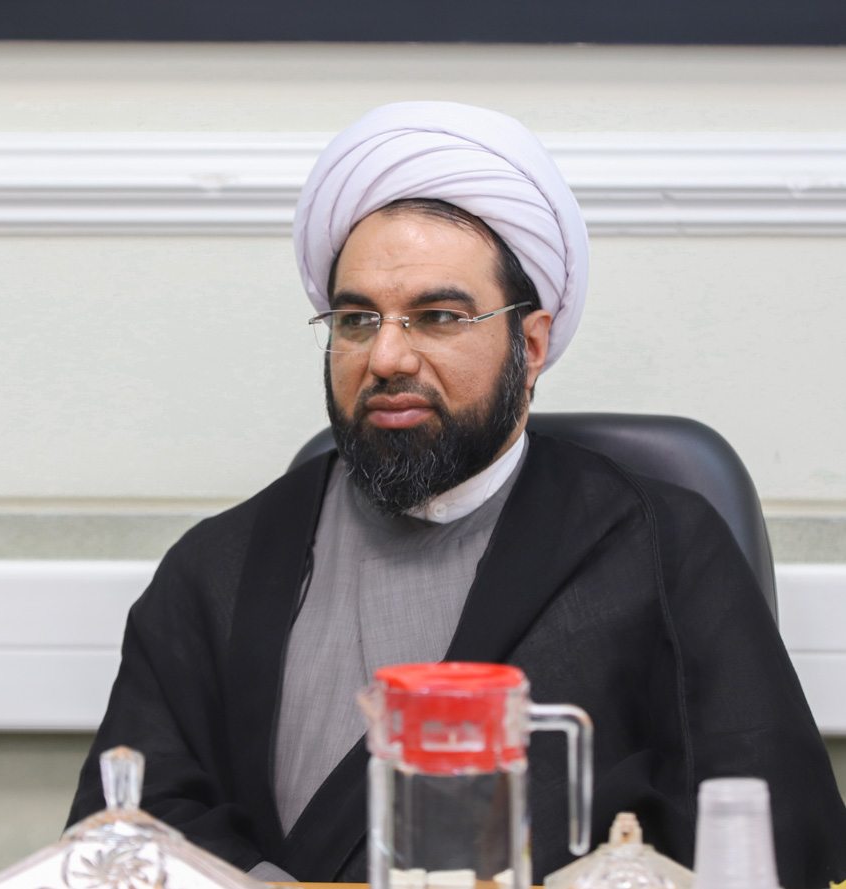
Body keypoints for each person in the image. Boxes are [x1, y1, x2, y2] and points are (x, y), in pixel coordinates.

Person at [67, 102, 846, 887]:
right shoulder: (219, 566)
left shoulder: (662, 545)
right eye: (355, 319)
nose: (386, 356)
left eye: (436, 316)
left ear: (529, 344)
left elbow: (773, 834)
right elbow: (125, 832)